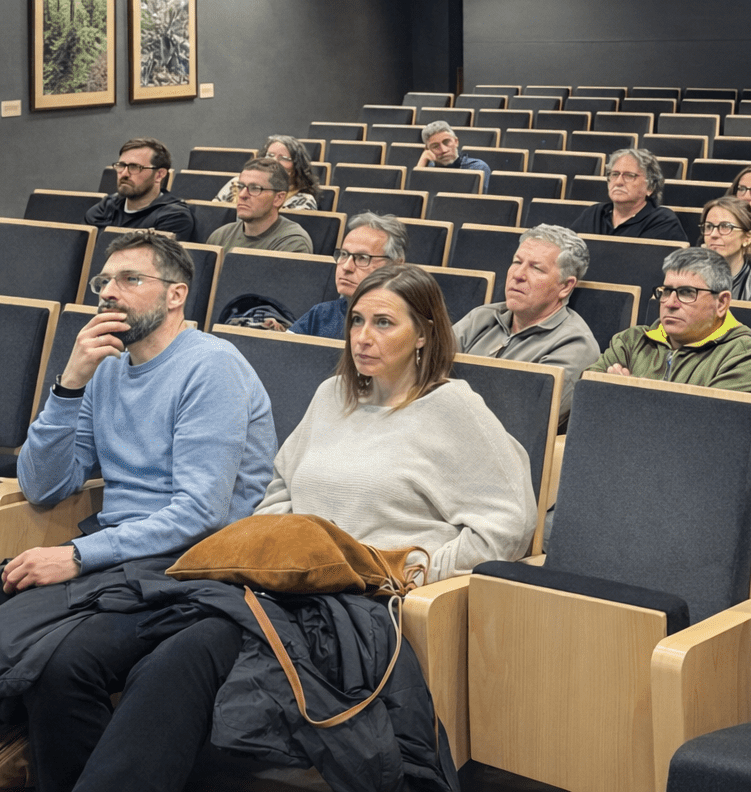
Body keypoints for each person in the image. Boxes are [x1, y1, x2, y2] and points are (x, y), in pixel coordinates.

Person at [51, 263, 536, 792]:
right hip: (284, 590)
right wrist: (274, 556)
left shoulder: (453, 408)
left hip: (363, 604)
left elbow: (507, 527)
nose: (363, 338)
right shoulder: (334, 396)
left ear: (424, 333)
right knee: (162, 661)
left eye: (383, 323)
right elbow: (278, 494)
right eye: (356, 322)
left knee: (182, 668)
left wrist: (407, 574)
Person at [0, 231, 276, 792]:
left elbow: (200, 512)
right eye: (105, 280)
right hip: (122, 553)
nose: (110, 292)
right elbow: (44, 484)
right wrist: (69, 384)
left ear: (176, 295)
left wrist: (76, 555)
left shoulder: (211, 367)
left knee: (61, 665)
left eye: (130, 279)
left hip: (194, 566)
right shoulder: (104, 367)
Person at [454, 224, 602, 423]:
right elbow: (427, 369)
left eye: (536, 268)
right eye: (517, 262)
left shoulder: (575, 345)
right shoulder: (482, 317)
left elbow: (522, 419)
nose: (518, 275)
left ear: (565, 286)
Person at [587, 247, 751, 395]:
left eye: (686, 293)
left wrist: (625, 394)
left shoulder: (746, 360)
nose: (670, 303)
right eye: (666, 291)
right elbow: (587, 397)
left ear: (722, 303)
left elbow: (700, 431)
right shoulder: (630, 342)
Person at [279, 212, 408, 338]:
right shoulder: (322, 314)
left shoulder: (405, 323)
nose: (346, 267)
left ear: (395, 265)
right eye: (344, 254)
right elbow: (281, 353)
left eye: (362, 258)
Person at [84, 137, 194, 241]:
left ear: (159, 175)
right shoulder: (106, 207)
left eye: (135, 167)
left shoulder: (174, 217)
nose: (124, 174)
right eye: (121, 165)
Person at [570, 147, 688, 242]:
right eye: (614, 174)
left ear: (650, 187)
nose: (619, 182)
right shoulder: (594, 214)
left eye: (629, 176)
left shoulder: (662, 221)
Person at [206, 158, 314, 253]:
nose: (242, 195)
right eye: (241, 186)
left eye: (255, 188)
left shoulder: (293, 243)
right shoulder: (219, 237)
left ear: (278, 198)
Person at [700, 196, 751, 304]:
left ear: (748, 238)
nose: (713, 234)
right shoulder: (687, 280)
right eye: (708, 227)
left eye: (725, 227)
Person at [213, 134, 320, 209]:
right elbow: (213, 214)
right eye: (270, 155)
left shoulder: (303, 200)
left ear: (296, 167)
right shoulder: (236, 184)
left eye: (283, 158)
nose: (273, 161)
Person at [415, 120, 492, 187]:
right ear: (428, 150)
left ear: (456, 142)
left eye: (447, 142)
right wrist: (421, 164)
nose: (443, 150)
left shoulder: (477, 168)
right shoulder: (428, 168)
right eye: (435, 146)